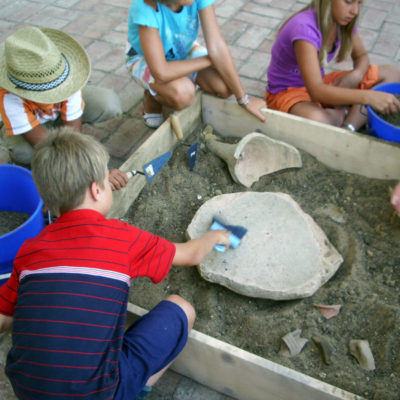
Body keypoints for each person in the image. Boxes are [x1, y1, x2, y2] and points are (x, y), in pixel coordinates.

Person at [0, 126, 231, 400]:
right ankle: (134, 390)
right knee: (182, 309)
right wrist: (214, 236)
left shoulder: (30, 251)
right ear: (97, 190)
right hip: (98, 393)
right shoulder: (122, 239)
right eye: (107, 181)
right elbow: (191, 254)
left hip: (27, 389)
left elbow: (4, 318)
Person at [0, 26, 127, 190]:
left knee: (108, 103)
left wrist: (90, 164)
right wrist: (97, 173)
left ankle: (58, 128)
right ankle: (20, 162)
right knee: (25, 152)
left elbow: (72, 135)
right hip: (32, 128)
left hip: (54, 113)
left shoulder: (63, 74)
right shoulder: (8, 97)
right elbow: (48, 143)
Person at [126, 0, 266, 129]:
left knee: (225, 86)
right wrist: (211, 59)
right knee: (184, 94)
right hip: (146, 59)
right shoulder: (144, 7)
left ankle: (173, 83)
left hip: (181, 48)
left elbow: (217, 46)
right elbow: (161, 72)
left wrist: (244, 99)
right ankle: (152, 97)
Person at [266, 0, 400, 131]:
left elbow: (361, 56)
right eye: (348, 2)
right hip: (288, 92)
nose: (355, 11)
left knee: (392, 74)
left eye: (359, 3)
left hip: (318, 81)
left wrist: (356, 75)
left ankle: (348, 125)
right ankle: (348, 112)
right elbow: (317, 92)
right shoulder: (304, 29)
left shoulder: (343, 20)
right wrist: (368, 96)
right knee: (317, 119)